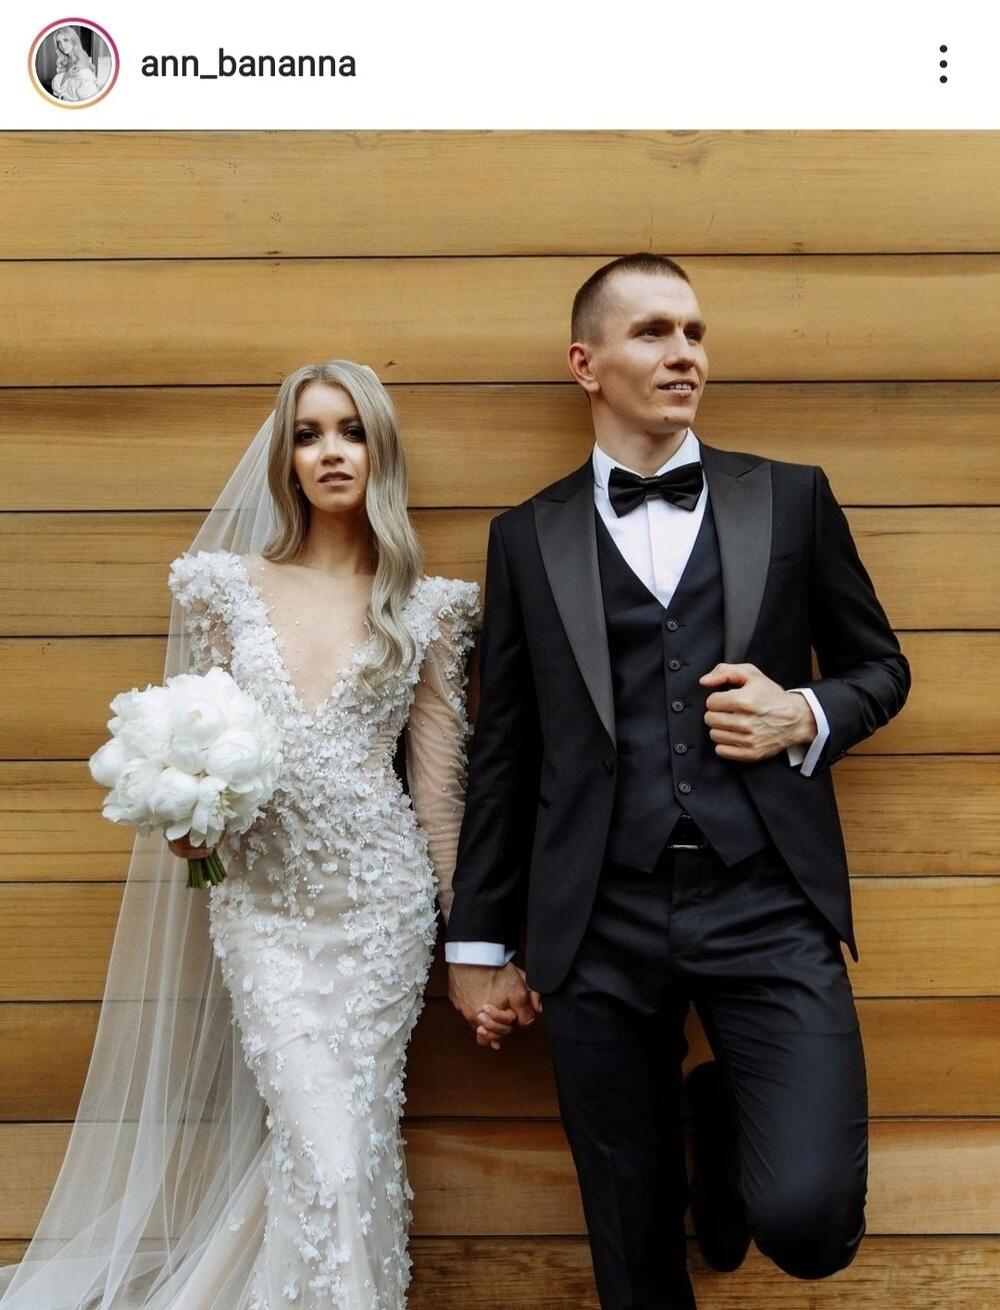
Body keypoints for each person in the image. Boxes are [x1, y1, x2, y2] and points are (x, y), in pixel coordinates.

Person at [445, 254, 910, 1309]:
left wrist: (805, 711)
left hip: (766, 899)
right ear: (585, 363)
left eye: (695, 332)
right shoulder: (525, 537)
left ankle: (720, 1117)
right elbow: (505, 749)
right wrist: (476, 944)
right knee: (635, 1249)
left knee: (811, 1221)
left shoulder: (790, 498)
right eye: (653, 332)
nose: (684, 353)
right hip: (593, 917)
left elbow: (881, 667)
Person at [0, 360, 478, 1309]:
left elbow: (438, 793)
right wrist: (190, 827)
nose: (331, 451)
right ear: (284, 458)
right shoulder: (226, 589)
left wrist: (471, 944)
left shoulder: (426, 609)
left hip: (381, 915)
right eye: (308, 434)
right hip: (263, 910)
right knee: (325, 1150)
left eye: (351, 431)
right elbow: (199, 744)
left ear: (380, 451)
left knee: (349, 1149)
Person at [50, 27, 101, 102]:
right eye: (59, 42)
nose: (62, 45)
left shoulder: (80, 64)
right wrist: (66, 75)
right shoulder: (65, 61)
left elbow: (89, 97)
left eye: (65, 40)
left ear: (73, 40)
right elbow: (59, 92)